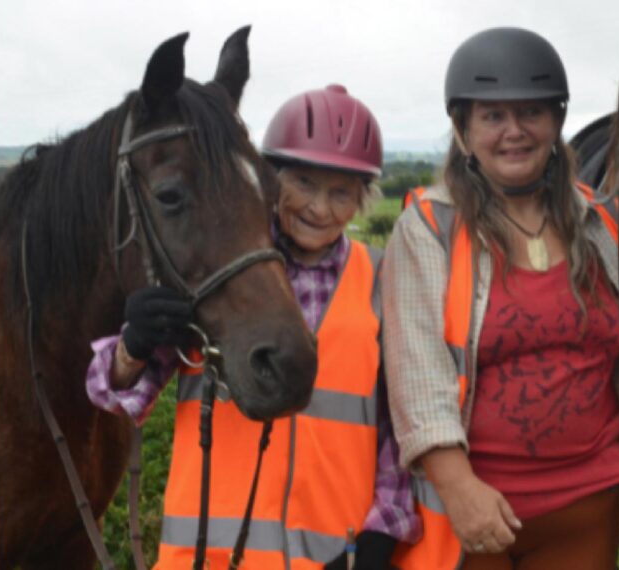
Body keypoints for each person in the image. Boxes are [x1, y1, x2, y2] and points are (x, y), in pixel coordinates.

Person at [85, 84, 420, 569]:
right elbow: (118, 393)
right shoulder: (217, 271)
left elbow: (398, 429)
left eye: (341, 192)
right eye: (304, 183)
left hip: (329, 558)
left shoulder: (383, 281)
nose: (319, 208)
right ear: (270, 180)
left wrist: (379, 536)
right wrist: (131, 347)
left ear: (362, 200)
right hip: (204, 558)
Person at [381, 28, 619, 570]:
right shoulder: (429, 227)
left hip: (587, 505)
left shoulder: (600, 221)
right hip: (473, 515)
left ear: (556, 123)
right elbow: (418, 375)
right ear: (462, 131)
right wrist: (459, 489)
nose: (514, 131)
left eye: (531, 112)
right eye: (492, 117)